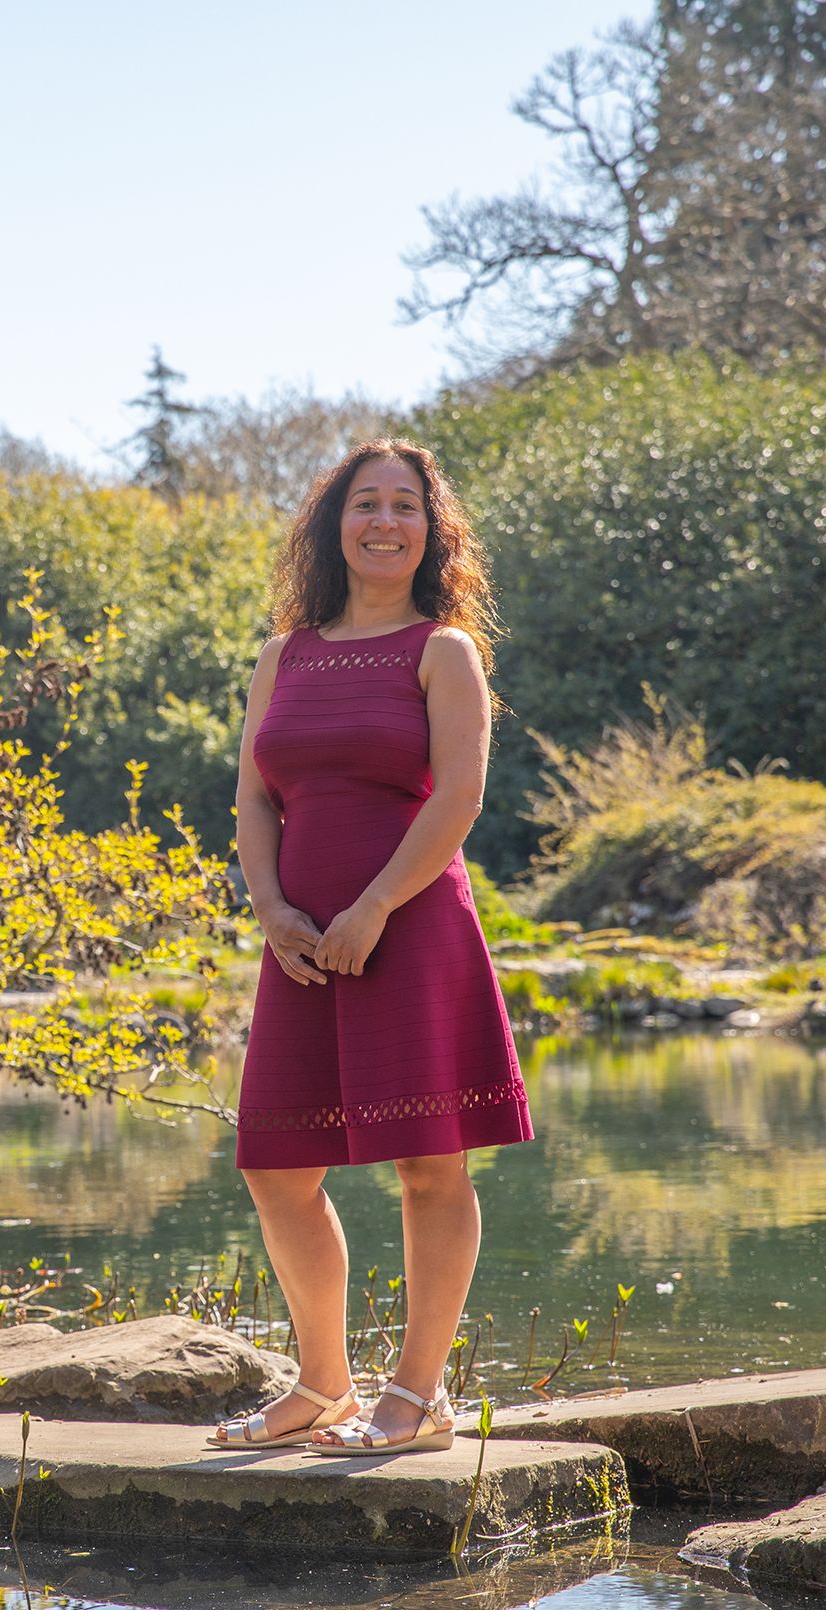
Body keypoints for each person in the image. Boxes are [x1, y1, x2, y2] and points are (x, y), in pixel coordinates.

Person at [206, 438, 535, 1457]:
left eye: (404, 505)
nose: (384, 521)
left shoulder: (442, 651)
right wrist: (271, 908)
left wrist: (375, 906)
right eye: (365, 503)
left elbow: (461, 798)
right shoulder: (283, 656)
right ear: (331, 525)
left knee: (429, 1166)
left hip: (411, 924)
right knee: (276, 1169)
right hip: (300, 942)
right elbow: (254, 798)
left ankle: (417, 1397)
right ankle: (322, 1386)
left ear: (430, 532)